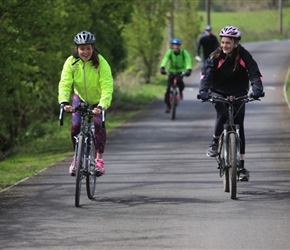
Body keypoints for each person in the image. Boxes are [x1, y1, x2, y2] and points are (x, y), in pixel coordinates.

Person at [198, 25, 264, 181]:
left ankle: (240, 166)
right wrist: (203, 91)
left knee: (239, 124)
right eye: (222, 42)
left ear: (235, 43)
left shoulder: (244, 55)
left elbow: (255, 73)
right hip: (218, 92)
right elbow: (206, 75)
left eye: (228, 42)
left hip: (239, 92)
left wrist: (257, 90)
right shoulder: (216, 55)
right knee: (221, 114)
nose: (224, 46)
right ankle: (214, 142)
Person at [58, 31, 114, 177]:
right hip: (80, 97)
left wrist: (102, 105)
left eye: (88, 48)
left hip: (98, 100)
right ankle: (76, 159)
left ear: (93, 48)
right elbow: (65, 83)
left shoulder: (101, 62)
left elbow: (107, 86)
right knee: (76, 125)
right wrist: (64, 101)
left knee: (98, 125)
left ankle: (99, 160)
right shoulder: (71, 62)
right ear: (77, 49)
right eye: (82, 48)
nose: (85, 52)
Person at [160, 38, 192, 113]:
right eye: (174, 45)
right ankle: (168, 105)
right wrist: (162, 67)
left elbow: (188, 61)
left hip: (180, 71)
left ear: (179, 46)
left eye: (177, 45)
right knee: (168, 90)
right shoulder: (170, 52)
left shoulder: (184, 52)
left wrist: (189, 69)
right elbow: (165, 59)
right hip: (171, 71)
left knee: (180, 83)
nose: (176, 47)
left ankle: (180, 92)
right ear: (172, 46)